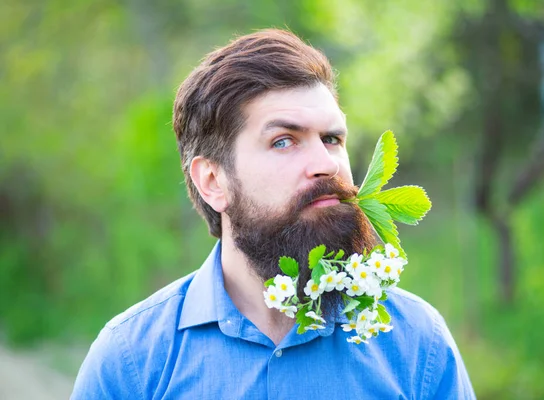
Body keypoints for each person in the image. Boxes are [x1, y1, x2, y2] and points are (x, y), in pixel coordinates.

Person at [71, 29, 475, 399]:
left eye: (332, 139)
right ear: (213, 181)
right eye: (284, 141)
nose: (327, 164)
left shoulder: (417, 345)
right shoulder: (131, 363)